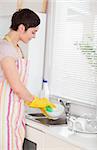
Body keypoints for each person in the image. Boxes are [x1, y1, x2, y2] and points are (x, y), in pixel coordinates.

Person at [0, 8, 55, 150]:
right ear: (21, 28)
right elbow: (17, 87)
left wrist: (35, 102)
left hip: (14, 113)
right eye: (33, 32)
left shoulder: (17, 48)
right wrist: (36, 102)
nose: (34, 36)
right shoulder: (5, 49)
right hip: (3, 114)